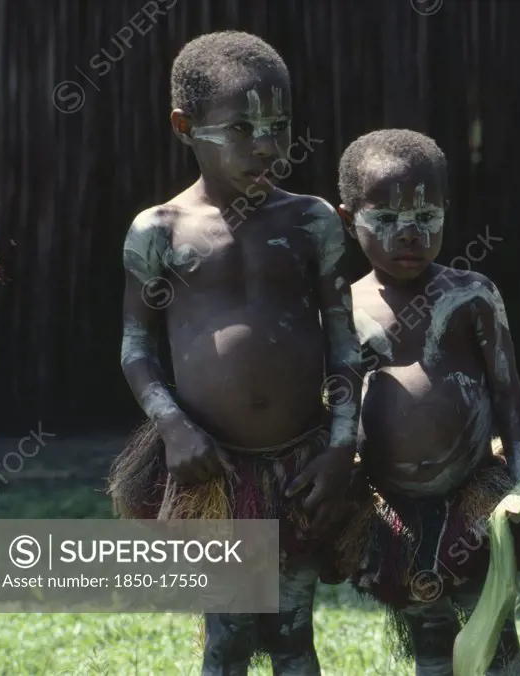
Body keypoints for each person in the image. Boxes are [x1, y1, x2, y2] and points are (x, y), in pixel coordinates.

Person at [107, 30, 362, 675]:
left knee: (293, 638)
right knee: (227, 641)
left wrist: (340, 448)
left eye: (278, 126)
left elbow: (342, 342)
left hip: (301, 468)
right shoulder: (158, 232)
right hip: (213, 474)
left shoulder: (311, 223)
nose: (267, 146)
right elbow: (136, 350)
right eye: (243, 128)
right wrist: (173, 427)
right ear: (184, 126)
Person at [325, 129, 520, 675]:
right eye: (387, 220)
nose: (410, 234)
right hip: (396, 509)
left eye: (426, 215)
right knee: (430, 636)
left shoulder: (472, 295)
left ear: (446, 210)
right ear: (348, 221)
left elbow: (509, 393)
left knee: (495, 635)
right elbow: (334, 406)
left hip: (473, 496)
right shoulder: (343, 309)